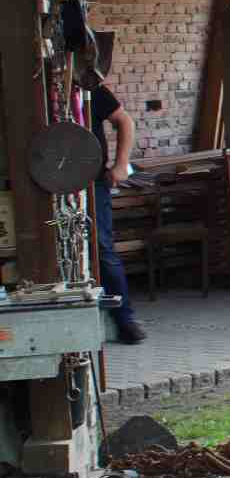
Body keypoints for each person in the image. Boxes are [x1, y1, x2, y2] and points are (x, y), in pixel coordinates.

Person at [86, 76, 147, 344]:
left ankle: (124, 319)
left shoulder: (90, 89)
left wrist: (121, 165)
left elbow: (125, 121)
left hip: (92, 182)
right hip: (44, 184)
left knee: (102, 248)